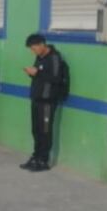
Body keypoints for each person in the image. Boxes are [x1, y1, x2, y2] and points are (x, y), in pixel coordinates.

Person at [22, 34, 69, 172]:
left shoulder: (54, 58)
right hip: (36, 99)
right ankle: (35, 157)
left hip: (47, 101)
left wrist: (37, 73)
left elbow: (55, 78)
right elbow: (40, 76)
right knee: (36, 130)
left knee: (45, 131)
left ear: (42, 44)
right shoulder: (40, 57)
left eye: (34, 47)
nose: (33, 51)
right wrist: (31, 73)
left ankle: (43, 161)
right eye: (31, 49)